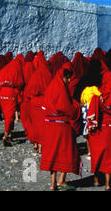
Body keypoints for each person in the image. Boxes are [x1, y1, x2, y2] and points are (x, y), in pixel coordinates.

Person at [40, 63, 81, 191]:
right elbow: (67, 108)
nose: (68, 81)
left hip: (49, 126)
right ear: (62, 77)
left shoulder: (51, 87)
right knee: (68, 153)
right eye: (67, 78)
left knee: (52, 154)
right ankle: (61, 180)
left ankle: (53, 184)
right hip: (61, 127)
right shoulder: (61, 89)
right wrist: (77, 106)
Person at [0, 57, 24, 146]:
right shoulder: (17, 69)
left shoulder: (4, 69)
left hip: (2, 94)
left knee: (7, 115)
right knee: (9, 116)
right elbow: (20, 83)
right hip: (11, 94)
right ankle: (6, 135)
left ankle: (9, 133)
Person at [24, 60, 53, 152]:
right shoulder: (49, 76)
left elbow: (29, 92)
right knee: (43, 125)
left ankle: (35, 143)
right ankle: (42, 145)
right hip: (45, 102)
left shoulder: (35, 76)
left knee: (35, 124)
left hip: (34, 103)